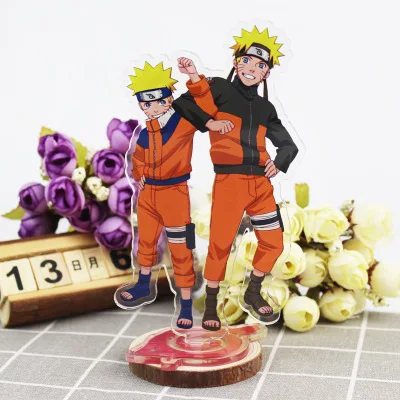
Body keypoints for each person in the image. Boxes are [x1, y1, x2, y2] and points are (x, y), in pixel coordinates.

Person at [173, 26, 299, 331]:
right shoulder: (219, 89)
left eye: (261, 65)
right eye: (247, 61)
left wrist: (280, 163)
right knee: (220, 244)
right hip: (230, 182)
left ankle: (253, 291)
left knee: (273, 242)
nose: (252, 68)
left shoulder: (266, 108)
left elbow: (288, 145)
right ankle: (211, 305)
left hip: (261, 186)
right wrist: (210, 122)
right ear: (236, 62)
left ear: (266, 73)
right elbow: (185, 103)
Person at [120, 59, 233, 329]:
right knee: (146, 242)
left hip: (174, 192)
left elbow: (205, 105)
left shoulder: (183, 122)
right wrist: (139, 172)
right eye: (146, 104)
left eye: (158, 101)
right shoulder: (146, 131)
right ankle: (143, 284)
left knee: (181, 249)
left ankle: (185, 304)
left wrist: (193, 76)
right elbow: (138, 158)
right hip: (148, 194)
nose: (152, 108)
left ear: (169, 99)